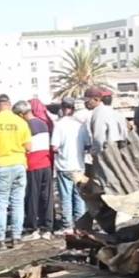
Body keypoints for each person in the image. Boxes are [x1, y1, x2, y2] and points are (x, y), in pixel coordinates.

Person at [0, 94, 32, 250]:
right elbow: (29, 147)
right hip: (19, 164)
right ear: (9, 105)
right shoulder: (21, 122)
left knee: (1, 204)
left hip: (1, 165)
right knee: (17, 203)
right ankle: (16, 237)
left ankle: (0, 239)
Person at [50, 98, 90, 235]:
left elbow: (54, 146)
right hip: (79, 165)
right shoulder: (80, 125)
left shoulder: (59, 125)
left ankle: (67, 225)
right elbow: (87, 144)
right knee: (79, 196)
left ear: (62, 108)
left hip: (64, 165)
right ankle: (80, 225)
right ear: (73, 109)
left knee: (65, 197)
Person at [20, 99, 55, 240]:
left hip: (33, 164)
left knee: (32, 197)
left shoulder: (26, 126)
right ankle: (47, 227)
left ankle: (32, 228)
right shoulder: (43, 123)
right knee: (46, 197)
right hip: (46, 163)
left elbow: (26, 146)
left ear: (21, 114)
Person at [84, 86, 127, 156]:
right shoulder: (115, 113)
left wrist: (94, 153)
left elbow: (99, 139)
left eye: (87, 100)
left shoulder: (99, 112)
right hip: (116, 149)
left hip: (107, 151)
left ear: (96, 99)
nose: (85, 103)